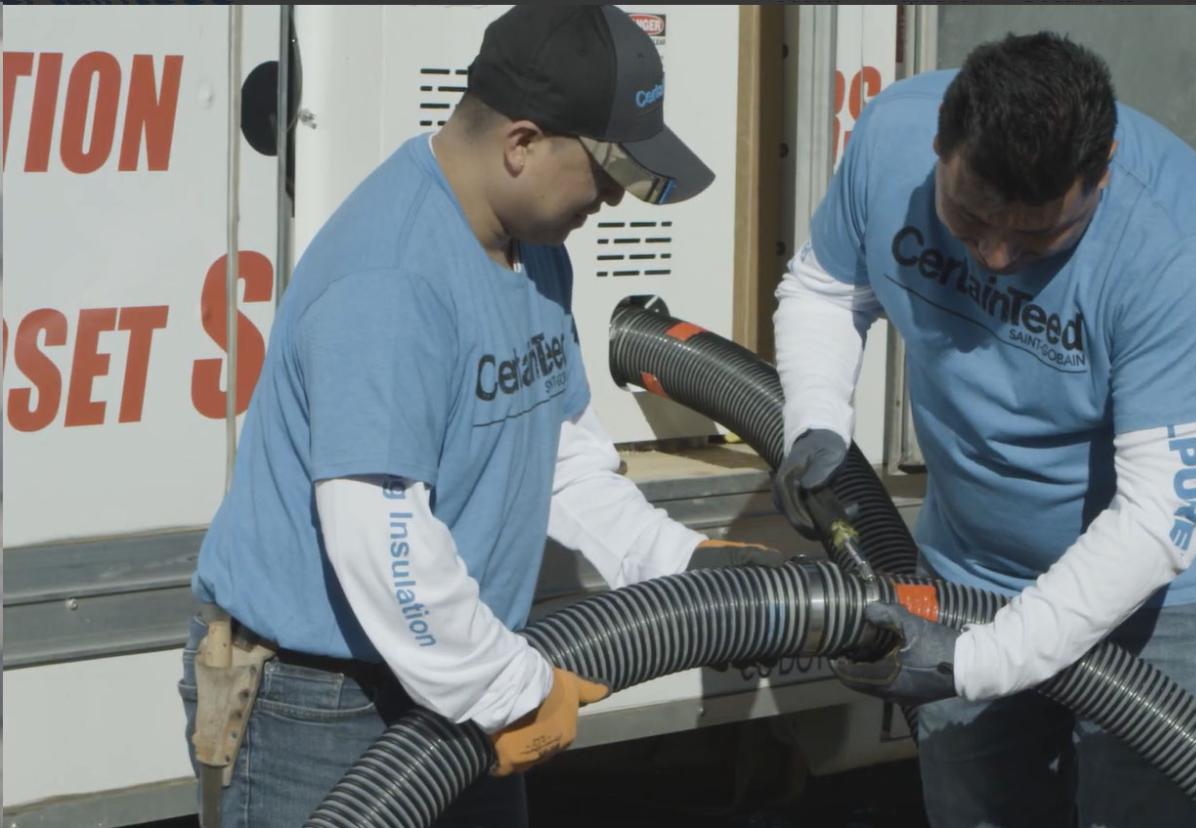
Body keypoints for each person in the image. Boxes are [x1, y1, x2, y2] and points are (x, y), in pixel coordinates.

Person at [179, 6, 793, 826]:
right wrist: (510, 687)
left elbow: (560, 447)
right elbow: (378, 529)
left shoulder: (534, 249)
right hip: (322, 700)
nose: (614, 198)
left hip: (453, 667)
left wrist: (670, 559)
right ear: (522, 143)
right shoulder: (391, 282)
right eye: (606, 170)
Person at [771, 32, 1196, 827]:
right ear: (942, 142)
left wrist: (975, 660)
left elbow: (1154, 522)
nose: (999, 256)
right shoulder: (891, 139)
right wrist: (816, 420)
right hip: (969, 565)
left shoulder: (1184, 250)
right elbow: (827, 290)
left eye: (1040, 236)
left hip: (1159, 605)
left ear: (1100, 173)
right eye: (969, 218)